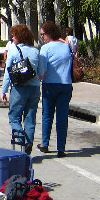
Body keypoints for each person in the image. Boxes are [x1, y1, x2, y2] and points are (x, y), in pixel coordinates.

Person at [0, 25, 40, 155]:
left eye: (14, 35)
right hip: (34, 87)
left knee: (14, 117)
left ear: (19, 37)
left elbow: (8, 72)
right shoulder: (36, 51)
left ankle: (20, 136)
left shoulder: (13, 50)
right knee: (30, 117)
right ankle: (29, 142)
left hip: (19, 87)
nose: (12, 38)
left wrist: (4, 90)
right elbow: (40, 71)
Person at [37, 22, 73, 158]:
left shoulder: (45, 49)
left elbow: (43, 71)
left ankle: (45, 144)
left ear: (49, 34)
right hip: (66, 84)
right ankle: (61, 148)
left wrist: (36, 78)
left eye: (43, 34)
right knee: (62, 117)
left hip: (50, 84)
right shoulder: (66, 46)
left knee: (47, 115)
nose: (42, 37)